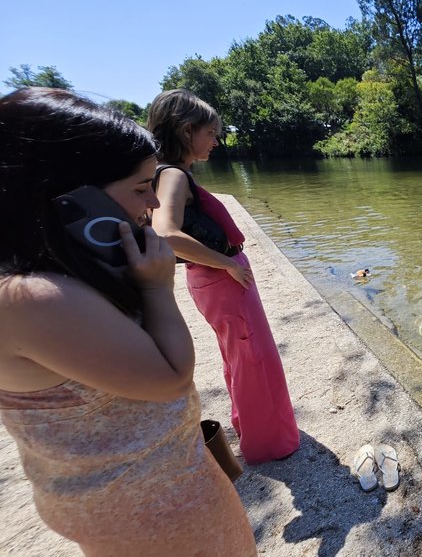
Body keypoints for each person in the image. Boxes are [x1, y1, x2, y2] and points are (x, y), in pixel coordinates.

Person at [0, 87, 256, 555]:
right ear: (67, 200)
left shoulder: (60, 274)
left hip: (153, 495)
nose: (153, 206)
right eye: (141, 189)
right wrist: (157, 287)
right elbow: (172, 377)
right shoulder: (29, 299)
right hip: (145, 512)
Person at [147, 90, 299, 465]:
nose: (216, 141)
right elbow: (164, 233)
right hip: (222, 282)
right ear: (186, 130)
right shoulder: (173, 175)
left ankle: (252, 428)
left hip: (217, 282)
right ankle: (270, 445)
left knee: (241, 357)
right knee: (254, 359)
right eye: (211, 132)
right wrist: (226, 263)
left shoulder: (173, 173)